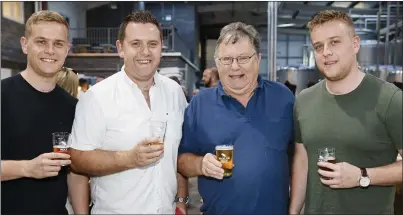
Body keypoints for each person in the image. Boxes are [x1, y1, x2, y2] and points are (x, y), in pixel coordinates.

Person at [69, 10, 189, 214]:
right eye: (136, 44)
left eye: (153, 44)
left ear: (161, 48)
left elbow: (178, 154)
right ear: (120, 48)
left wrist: (181, 201)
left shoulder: (175, 93)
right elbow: (77, 158)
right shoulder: (97, 97)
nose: (145, 52)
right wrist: (129, 158)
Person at [289, 10, 402, 214]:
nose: (326, 52)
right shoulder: (304, 101)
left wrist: (362, 176)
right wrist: (294, 211)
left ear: (355, 44)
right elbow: (302, 161)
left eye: (334, 42)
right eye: (318, 46)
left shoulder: (389, 99)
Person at [178, 22, 295, 214]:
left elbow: (300, 155)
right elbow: (181, 160)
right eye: (227, 59)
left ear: (258, 59)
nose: (234, 67)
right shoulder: (200, 104)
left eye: (243, 58)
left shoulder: (283, 98)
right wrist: (201, 165)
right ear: (217, 63)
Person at [1, 10, 89, 214]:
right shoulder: (2, 95)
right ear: (25, 44)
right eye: (41, 42)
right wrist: (26, 168)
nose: (50, 50)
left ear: (67, 49)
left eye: (58, 44)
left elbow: (74, 174)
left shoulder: (73, 107)